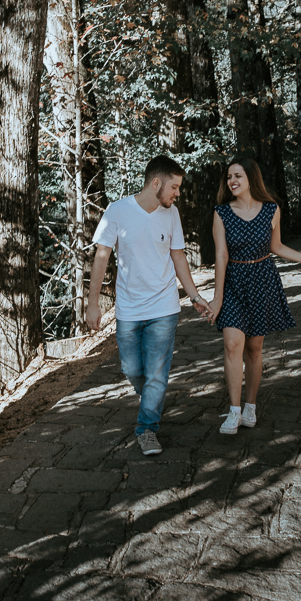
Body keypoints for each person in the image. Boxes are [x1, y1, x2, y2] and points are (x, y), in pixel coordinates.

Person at [88, 155, 210, 456]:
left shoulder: (171, 214)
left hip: (164, 308)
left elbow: (178, 256)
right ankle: (152, 399)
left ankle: (146, 429)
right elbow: (101, 257)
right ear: (156, 183)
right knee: (132, 369)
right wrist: (92, 304)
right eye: (174, 187)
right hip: (129, 309)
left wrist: (194, 296)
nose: (177, 193)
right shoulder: (117, 211)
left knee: (157, 373)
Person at [206, 157, 301, 435]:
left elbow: (277, 246)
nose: (232, 181)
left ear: (251, 178)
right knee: (233, 343)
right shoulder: (221, 212)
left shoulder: (271, 210)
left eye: (237, 176)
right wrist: (218, 298)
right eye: (229, 177)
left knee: (254, 348)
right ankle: (234, 411)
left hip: (262, 281)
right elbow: (221, 256)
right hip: (234, 282)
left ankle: (250, 405)